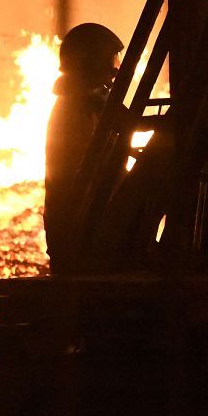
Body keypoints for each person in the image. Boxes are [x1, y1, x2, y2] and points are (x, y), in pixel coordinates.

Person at [45, 22, 123, 274]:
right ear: (89, 62)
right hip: (81, 228)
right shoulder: (82, 106)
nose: (114, 70)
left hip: (86, 224)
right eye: (108, 61)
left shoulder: (89, 102)